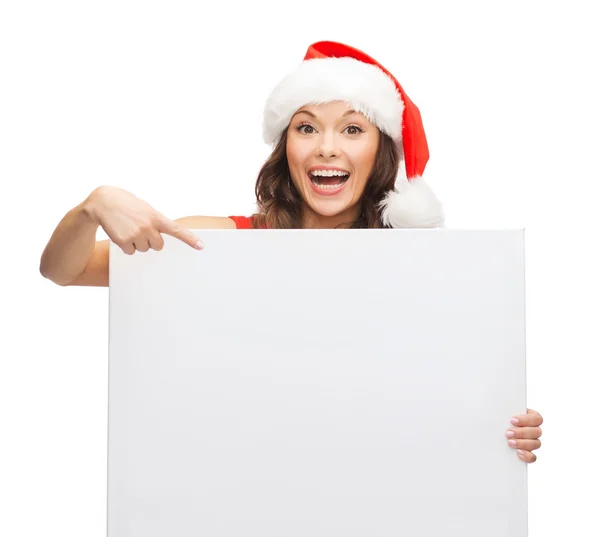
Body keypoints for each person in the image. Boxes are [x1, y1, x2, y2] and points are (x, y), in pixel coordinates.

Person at [39, 40, 544, 462]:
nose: (326, 147)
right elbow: (66, 269)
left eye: (352, 128)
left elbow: (443, 400)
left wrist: (500, 435)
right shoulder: (219, 244)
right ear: (287, 149)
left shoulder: (425, 273)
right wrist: (92, 206)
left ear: (380, 152)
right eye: (306, 127)